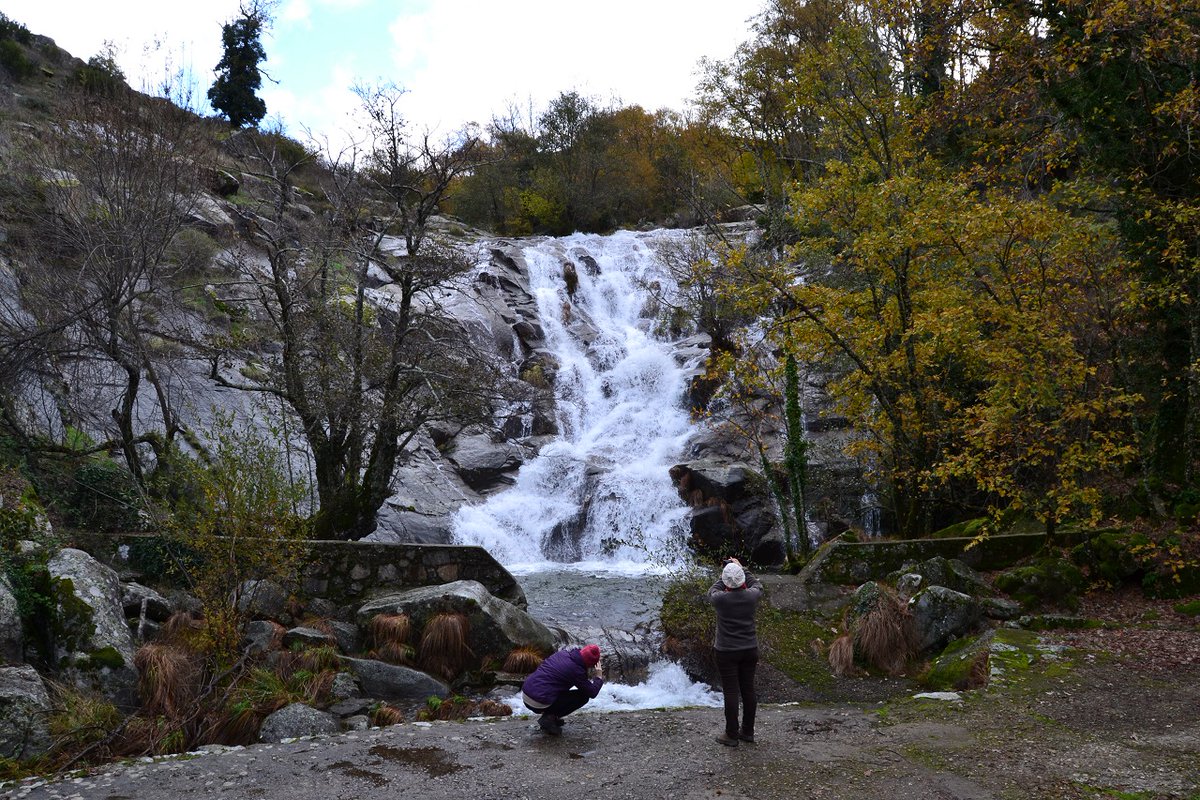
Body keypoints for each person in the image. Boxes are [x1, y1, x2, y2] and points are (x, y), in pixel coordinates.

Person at [708, 557, 763, 747]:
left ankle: (731, 734)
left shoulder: (719, 599)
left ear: (725, 582)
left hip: (726, 651)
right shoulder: (751, 596)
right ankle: (747, 731)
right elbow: (757, 584)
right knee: (748, 690)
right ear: (742, 581)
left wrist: (726, 572)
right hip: (749, 649)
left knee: (731, 692)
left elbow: (713, 589)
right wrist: (741, 568)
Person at [520, 643, 604, 736]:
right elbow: (592, 692)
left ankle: (551, 717)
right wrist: (598, 676)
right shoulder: (576, 670)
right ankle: (549, 718)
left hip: (526, 694)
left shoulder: (563, 653)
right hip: (538, 702)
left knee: (558, 686)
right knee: (583, 696)